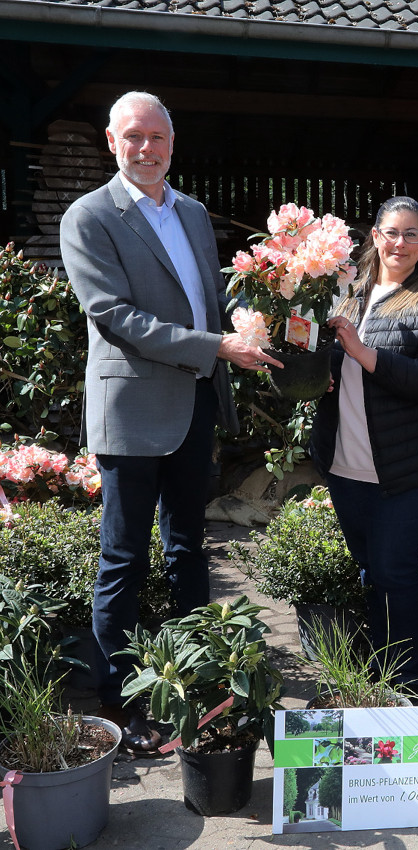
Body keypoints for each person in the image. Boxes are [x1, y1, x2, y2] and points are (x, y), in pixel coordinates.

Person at [60, 91, 279, 755]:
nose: (146, 148)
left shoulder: (191, 212)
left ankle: (199, 682)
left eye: (157, 136)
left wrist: (257, 313)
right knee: (123, 558)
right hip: (132, 412)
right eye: (133, 136)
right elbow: (115, 316)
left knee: (189, 547)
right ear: (112, 142)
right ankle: (119, 702)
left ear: (173, 144)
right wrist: (217, 346)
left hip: (194, 402)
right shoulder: (89, 216)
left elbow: (207, 298)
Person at [309, 196, 418, 691]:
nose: (400, 243)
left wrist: (361, 351)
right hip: (348, 463)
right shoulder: (344, 293)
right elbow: (320, 358)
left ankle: (409, 682)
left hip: (413, 467)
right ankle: (380, 669)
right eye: (391, 232)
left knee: (394, 569)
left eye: (411, 234)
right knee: (372, 570)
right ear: (375, 237)